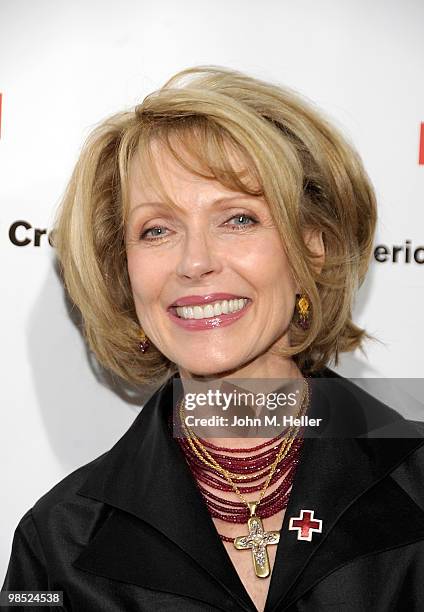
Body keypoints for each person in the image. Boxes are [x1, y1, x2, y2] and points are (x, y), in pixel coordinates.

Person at [2, 65, 424, 612]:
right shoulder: (57, 543)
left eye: (238, 219)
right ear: (124, 272)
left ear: (312, 247)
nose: (194, 262)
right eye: (157, 230)